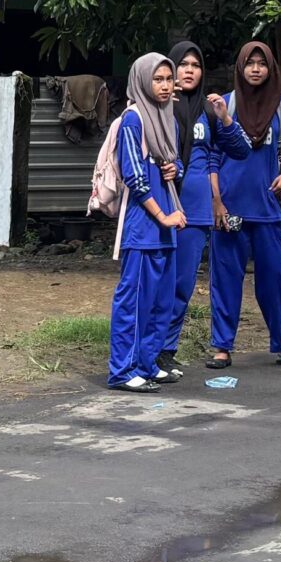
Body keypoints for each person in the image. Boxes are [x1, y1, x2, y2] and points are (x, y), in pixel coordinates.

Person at [204, 41, 281, 369]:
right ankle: (222, 347)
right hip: (230, 211)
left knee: (274, 282)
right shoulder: (225, 104)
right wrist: (216, 201)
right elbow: (211, 157)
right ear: (240, 67)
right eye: (249, 63)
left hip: (267, 210)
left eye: (262, 63)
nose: (255, 69)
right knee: (225, 280)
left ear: (270, 69)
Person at [108, 53, 186, 392]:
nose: (165, 86)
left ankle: (146, 363)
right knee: (134, 301)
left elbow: (176, 163)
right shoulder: (133, 119)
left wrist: (174, 168)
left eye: (169, 79)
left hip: (166, 228)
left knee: (161, 302)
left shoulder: (169, 119)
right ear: (142, 81)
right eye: (158, 79)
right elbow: (135, 178)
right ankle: (122, 371)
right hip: (143, 226)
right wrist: (163, 216)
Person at [157, 41, 215, 379]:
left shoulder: (208, 110)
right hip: (164, 208)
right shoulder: (159, 106)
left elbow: (231, 150)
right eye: (183, 64)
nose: (189, 70)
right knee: (159, 282)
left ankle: (167, 350)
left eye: (196, 65)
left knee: (182, 286)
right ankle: (147, 349)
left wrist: (225, 118)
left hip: (196, 212)